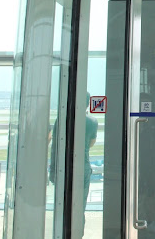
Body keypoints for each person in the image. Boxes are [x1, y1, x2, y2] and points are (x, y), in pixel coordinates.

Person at [49, 92, 98, 236]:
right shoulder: (92, 121)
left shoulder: (61, 120)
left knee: (63, 204)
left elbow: (54, 145)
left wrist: (52, 170)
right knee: (79, 206)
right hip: (83, 166)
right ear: (87, 104)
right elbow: (91, 144)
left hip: (64, 167)